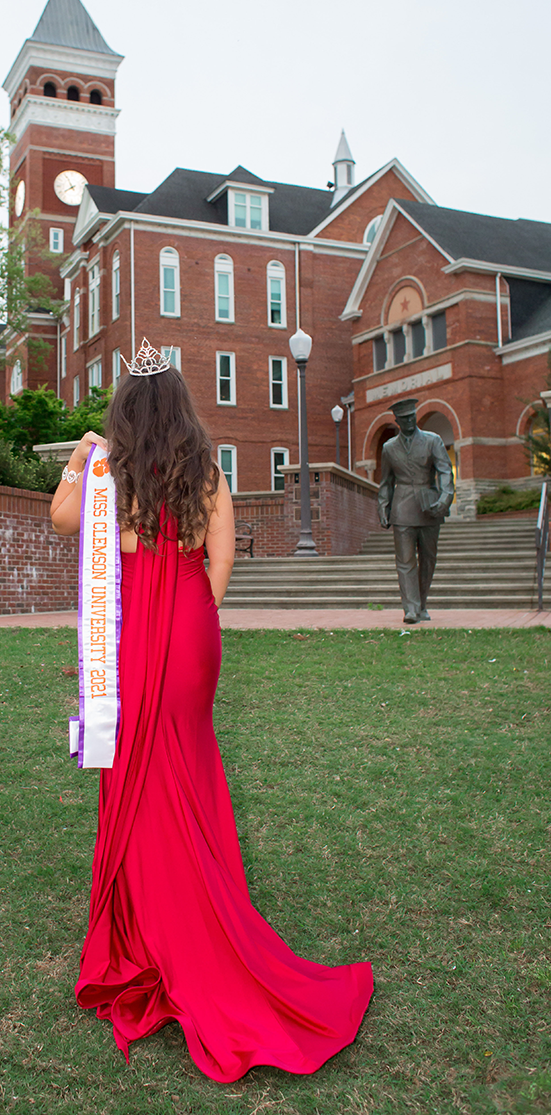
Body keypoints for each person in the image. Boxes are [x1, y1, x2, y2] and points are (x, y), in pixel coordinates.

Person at [51, 343, 373, 1084]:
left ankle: (152, 928)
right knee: (186, 766)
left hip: (134, 630)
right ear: (183, 404)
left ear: (126, 407)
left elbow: (64, 521)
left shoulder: (109, 469)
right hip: (192, 624)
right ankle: (191, 910)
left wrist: (78, 455)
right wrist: (189, 617)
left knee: (138, 766)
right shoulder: (206, 467)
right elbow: (219, 562)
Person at [377, 397, 455, 624]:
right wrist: (383, 507)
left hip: (429, 506)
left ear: (416, 416)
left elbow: (445, 471)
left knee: (428, 559)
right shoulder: (389, 448)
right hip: (402, 508)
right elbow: (386, 482)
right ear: (397, 421)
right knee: (405, 560)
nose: (409, 421)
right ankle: (410, 609)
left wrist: (445, 498)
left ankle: (421, 603)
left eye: (411, 417)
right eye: (404, 419)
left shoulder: (433, 440)